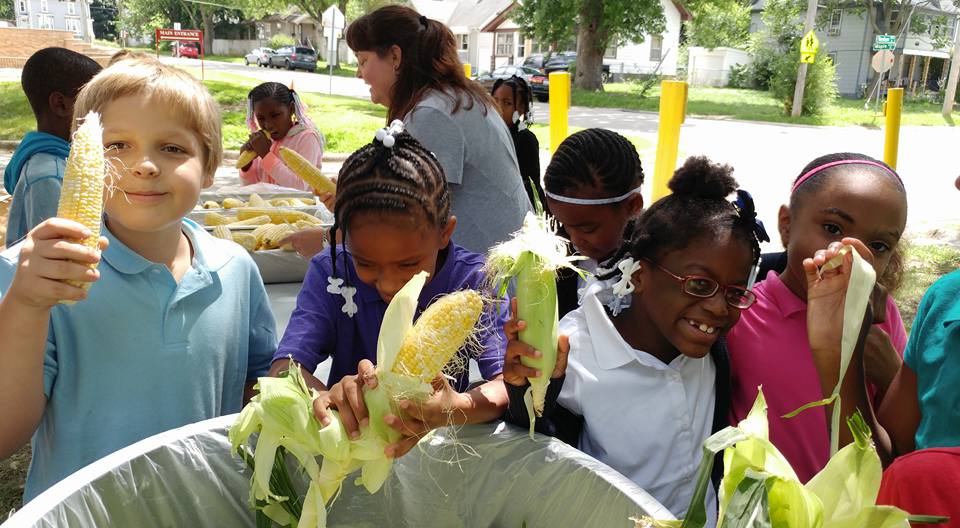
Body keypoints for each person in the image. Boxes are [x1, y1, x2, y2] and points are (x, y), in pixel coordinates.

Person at [0, 58, 277, 501]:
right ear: (79, 159)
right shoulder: (34, 276)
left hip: (205, 508)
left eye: (172, 148)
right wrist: (25, 305)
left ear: (209, 168)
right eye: (117, 146)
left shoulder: (236, 268)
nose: (145, 165)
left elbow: (258, 383)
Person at [503, 157, 769, 526]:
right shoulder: (575, 348)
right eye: (698, 284)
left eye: (736, 292)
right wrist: (523, 393)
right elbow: (536, 446)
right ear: (640, 276)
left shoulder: (710, 352)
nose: (718, 308)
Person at [268, 123, 508, 459]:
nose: (390, 284)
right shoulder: (331, 271)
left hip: (438, 457)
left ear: (445, 233)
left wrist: (455, 406)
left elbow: (505, 384)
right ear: (343, 237)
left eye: (408, 265)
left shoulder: (474, 279)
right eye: (366, 263)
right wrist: (325, 402)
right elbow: (285, 368)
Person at [726, 152, 909, 483]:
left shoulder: (881, 319)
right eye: (832, 228)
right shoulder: (742, 313)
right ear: (786, 224)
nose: (852, 252)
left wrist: (891, 373)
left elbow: (897, 449)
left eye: (879, 245)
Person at [345, 5, 531, 254]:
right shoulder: (452, 99)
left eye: (363, 61)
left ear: (395, 57)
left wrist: (331, 238)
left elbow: (406, 215)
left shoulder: (433, 114)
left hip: (491, 279)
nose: (359, 74)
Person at [541, 128, 645, 318]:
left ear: (632, 206)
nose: (574, 240)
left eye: (587, 228)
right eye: (565, 225)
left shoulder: (655, 264)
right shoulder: (558, 259)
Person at [4, 47, 102, 246]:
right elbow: (59, 253)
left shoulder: (53, 161)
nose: (105, 113)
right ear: (61, 105)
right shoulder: (50, 175)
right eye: (95, 102)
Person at [238, 82, 326, 194]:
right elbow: (250, 187)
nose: (268, 125)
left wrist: (266, 155)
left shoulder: (307, 138)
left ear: (291, 109)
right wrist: (246, 166)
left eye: (275, 115)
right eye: (261, 118)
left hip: (300, 208)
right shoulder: (264, 141)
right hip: (268, 208)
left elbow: (300, 187)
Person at [491, 75, 545, 212]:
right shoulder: (489, 134)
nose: (498, 107)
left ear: (521, 109)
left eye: (507, 103)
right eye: (495, 100)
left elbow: (531, 185)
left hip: (519, 209)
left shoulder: (525, 139)